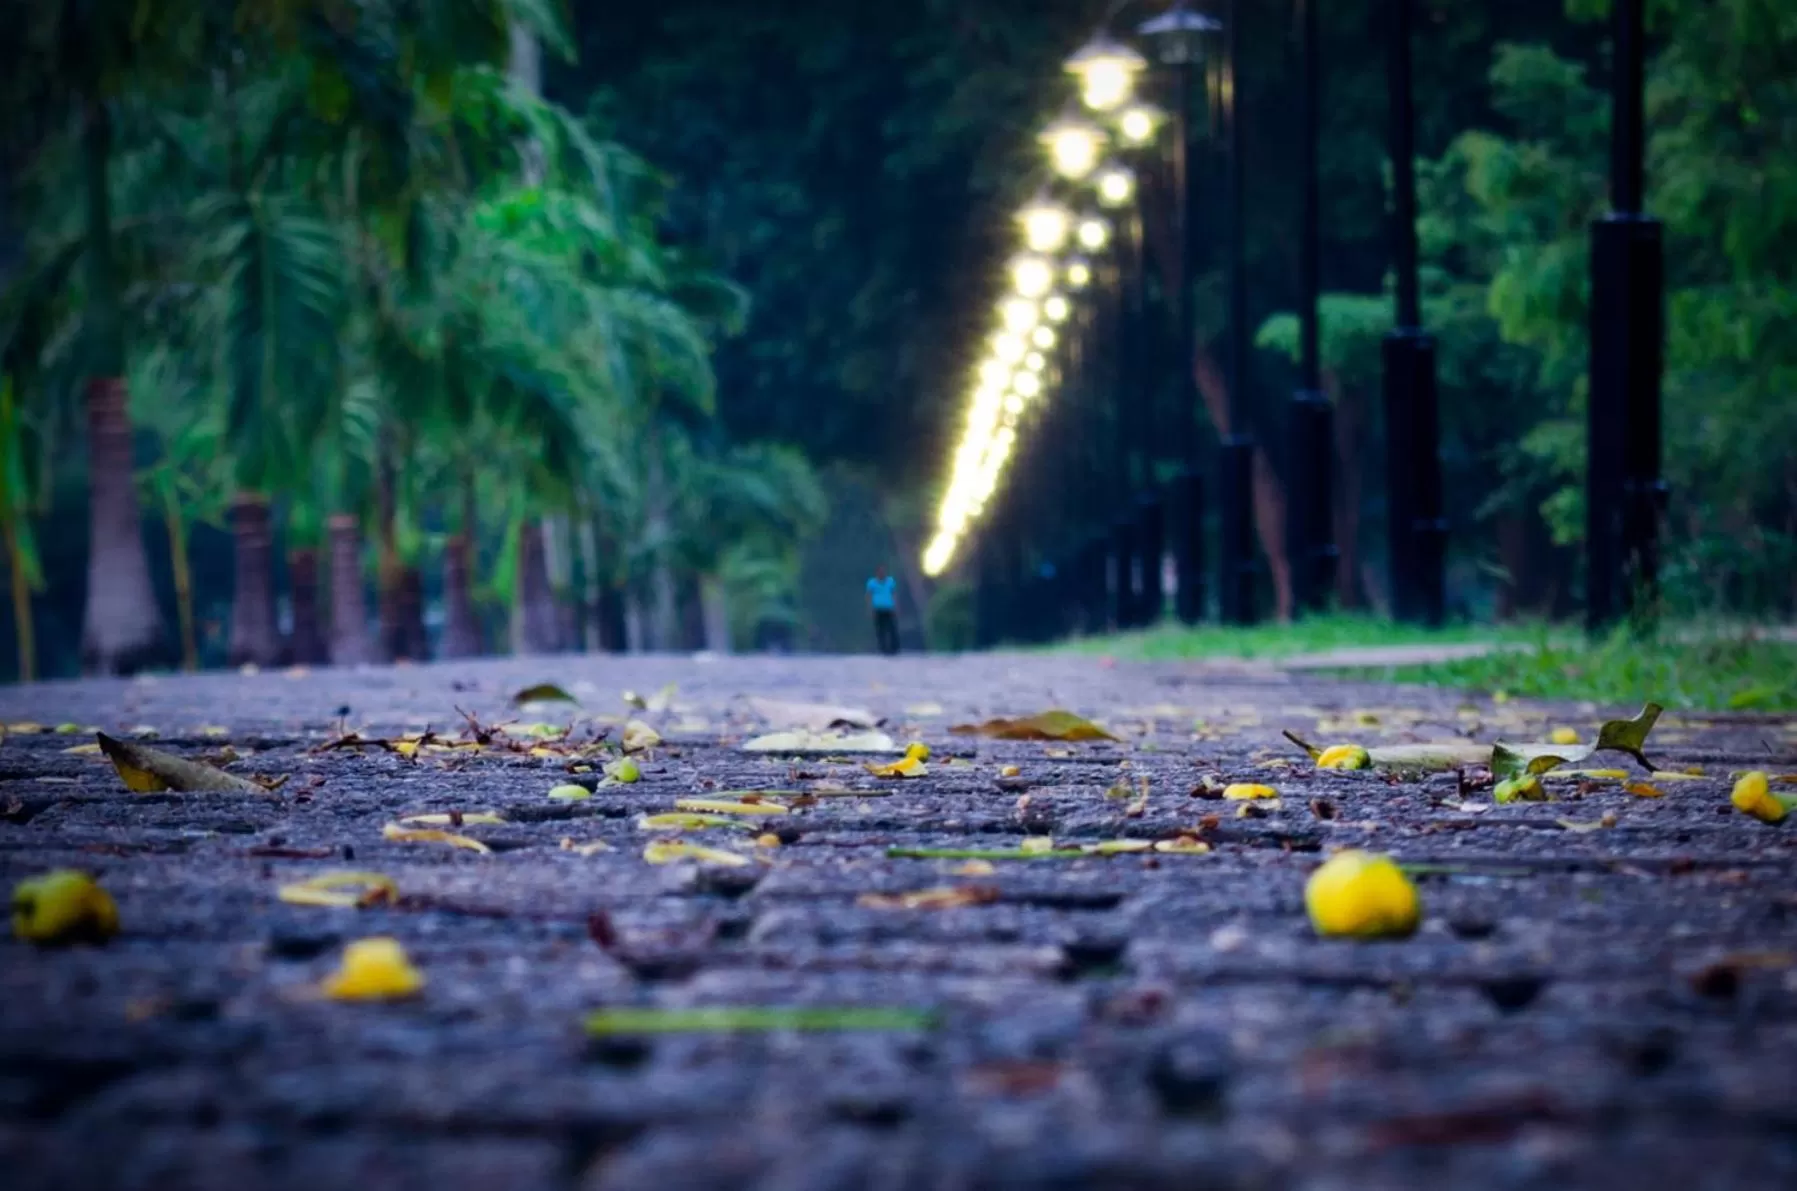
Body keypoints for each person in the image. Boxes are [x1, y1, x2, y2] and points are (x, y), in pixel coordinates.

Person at [866, 565, 899, 655]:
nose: (881, 573)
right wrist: (870, 609)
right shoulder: (872, 583)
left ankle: (894, 649)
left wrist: (896, 607)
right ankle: (883, 649)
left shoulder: (890, 581)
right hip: (878, 609)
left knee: (892, 629)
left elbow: (894, 594)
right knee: (880, 630)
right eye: (880, 572)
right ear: (877, 573)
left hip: (888, 609)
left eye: (883, 571)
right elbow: (869, 596)